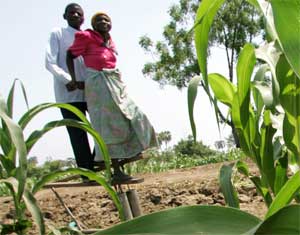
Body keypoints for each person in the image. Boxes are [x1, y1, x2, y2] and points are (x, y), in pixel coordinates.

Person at [66, 12, 157, 183]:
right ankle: (116, 171)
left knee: (134, 114)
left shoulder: (109, 41)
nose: (104, 22)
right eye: (99, 20)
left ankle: (128, 154)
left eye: (107, 20)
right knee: (108, 126)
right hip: (99, 84)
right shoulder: (86, 36)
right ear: (93, 24)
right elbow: (70, 55)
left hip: (114, 82)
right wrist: (73, 79)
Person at [45, 3, 94, 173]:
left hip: (90, 91)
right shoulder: (58, 34)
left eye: (78, 13)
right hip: (69, 94)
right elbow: (49, 63)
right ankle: (87, 172)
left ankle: (98, 162)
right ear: (64, 16)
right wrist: (69, 80)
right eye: (71, 13)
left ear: (83, 17)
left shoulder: (88, 35)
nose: (74, 15)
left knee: (103, 127)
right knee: (78, 134)